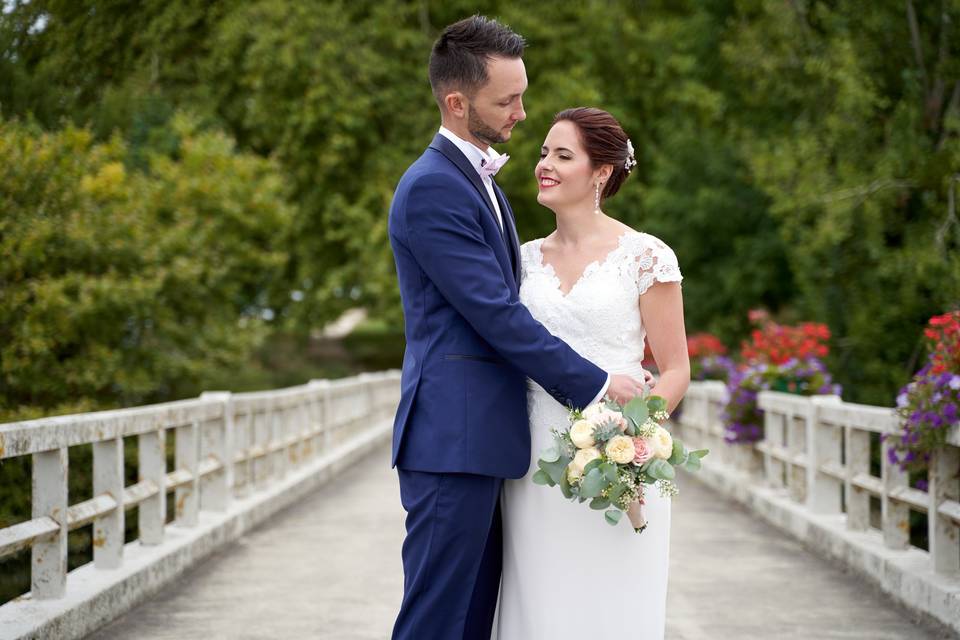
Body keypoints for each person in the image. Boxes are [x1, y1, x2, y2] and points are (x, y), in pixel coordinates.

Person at [387, 16, 648, 640]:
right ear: (457, 102)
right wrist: (594, 385)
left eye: (522, 94)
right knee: (435, 622)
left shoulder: (483, 187)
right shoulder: (432, 189)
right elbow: (497, 317)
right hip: (452, 440)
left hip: (484, 442)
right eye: (507, 100)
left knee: (472, 621)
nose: (523, 113)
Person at [495, 107, 690, 639]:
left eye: (563, 155)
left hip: (617, 457)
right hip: (532, 460)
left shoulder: (645, 256)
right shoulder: (522, 260)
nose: (545, 165)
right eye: (542, 154)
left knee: (614, 605)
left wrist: (634, 432)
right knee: (541, 602)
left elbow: (675, 369)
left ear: (601, 172)